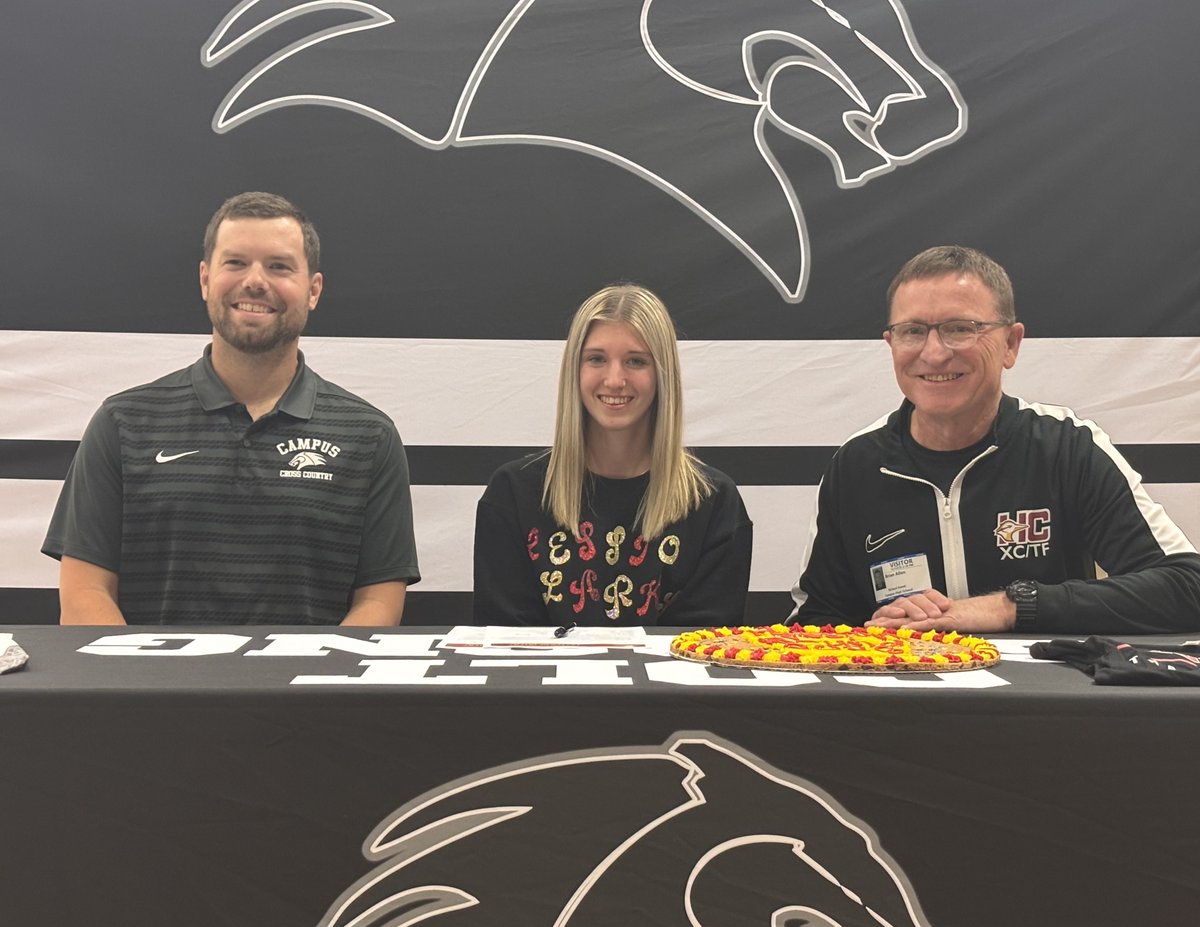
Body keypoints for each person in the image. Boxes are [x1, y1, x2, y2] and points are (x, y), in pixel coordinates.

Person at [42, 191, 419, 625]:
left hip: (307, 693)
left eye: (279, 266)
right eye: (235, 263)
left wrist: (304, 694)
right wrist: (148, 690)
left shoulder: (368, 436)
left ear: (312, 290)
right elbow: (83, 595)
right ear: (205, 279)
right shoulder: (123, 423)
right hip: (155, 691)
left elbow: (378, 605)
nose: (255, 281)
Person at [791, 245, 1200, 634]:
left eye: (960, 329)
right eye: (913, 331)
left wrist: (1009, 607)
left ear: (1011, 344)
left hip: (1038, 703)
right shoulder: (857, 464)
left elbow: (1187, 589)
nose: (933, 354)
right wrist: (880, 625)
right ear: (891, 344)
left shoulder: (1066, 446)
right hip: (904, 704)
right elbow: (815, 621)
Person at [473, 284, 752, 626]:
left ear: (663, 375)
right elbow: (506, 648)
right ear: (574, 371)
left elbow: (700, 654)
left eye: (636, 361)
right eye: (596, 359)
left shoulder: (713, 502)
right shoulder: (513, 494)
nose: (615, 379)